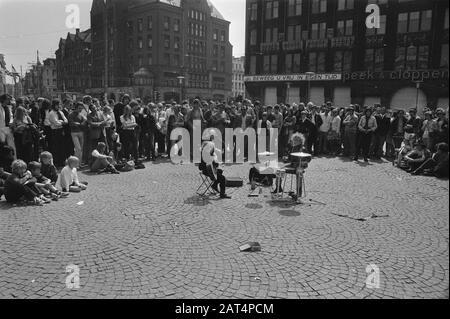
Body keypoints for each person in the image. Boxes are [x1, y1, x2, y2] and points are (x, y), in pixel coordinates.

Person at [48, 99, 68, 167]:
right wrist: (62, 122)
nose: (59, 106)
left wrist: (61, 121)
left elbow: (66, 120)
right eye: (57, 105)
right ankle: (56, 162)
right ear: (54, 105)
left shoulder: (60, 112)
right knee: (56, 147)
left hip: (61, 130)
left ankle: (62, 161)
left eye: (59, 104)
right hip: (55, 131)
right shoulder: (51, 113)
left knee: (62, 146)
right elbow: (56, 123)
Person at [0, 94, 16, 158]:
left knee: (11, 146)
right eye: (8, 99)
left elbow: (10, 118)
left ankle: (12, 160)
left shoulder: (8, 107)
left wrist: (11, 124)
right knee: (2, 145)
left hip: (8, 129)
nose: (9, 100)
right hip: (1, 129)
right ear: (3, 99)